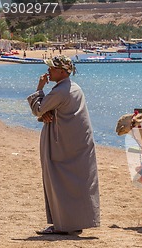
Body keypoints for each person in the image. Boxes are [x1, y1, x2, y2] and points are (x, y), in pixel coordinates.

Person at [27, 55, 100, 235]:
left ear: (61, 72)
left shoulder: (60, 91)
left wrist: (39, 89)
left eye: (51, 69)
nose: (48, 72)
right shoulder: (74, 88)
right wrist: (45, 113)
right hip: (75, 144)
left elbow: (38, 108)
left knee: (57, 181)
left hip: (62, 146)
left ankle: (61, 225)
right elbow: (52, 111)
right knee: (76, 183)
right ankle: (73, 222)